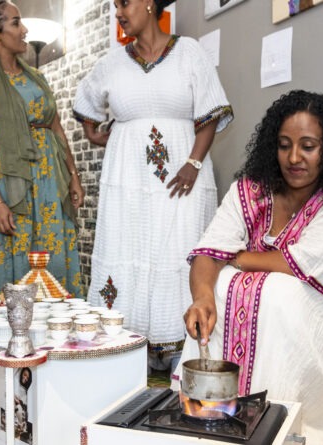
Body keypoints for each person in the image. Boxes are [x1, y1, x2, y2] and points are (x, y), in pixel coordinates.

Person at [173, 90, 323, 445]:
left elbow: (302, 263)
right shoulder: (247, 190)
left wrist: (236, 257)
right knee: (219, 286)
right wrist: (203, 298)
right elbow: (208, 251)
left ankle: (283, 425)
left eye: (308, 146)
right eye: (284, 145)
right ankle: (213, 414)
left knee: (278, 291)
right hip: (266, 301)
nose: (294, 157)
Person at [73, 0, 233, 372]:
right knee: (128, 248)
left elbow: (210, 112)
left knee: (181, 248)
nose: (119, 13)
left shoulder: (189, 52)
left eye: (124, 4)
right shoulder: (111, 63)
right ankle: (128, 344)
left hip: (182, 174)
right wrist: (98, 135)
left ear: (149, 4)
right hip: (127, 179)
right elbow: (86, 107)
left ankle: (183, 348)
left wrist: (194, 162)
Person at [0, 0, 84, 300]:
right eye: (15, 23)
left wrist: (73, 176)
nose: (24, 29)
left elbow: (56, 130)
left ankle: (58, 342)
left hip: (50, 184)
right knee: (13, 265)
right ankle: (15, 342)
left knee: (55, 262)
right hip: (8, 189)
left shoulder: (36, 80)